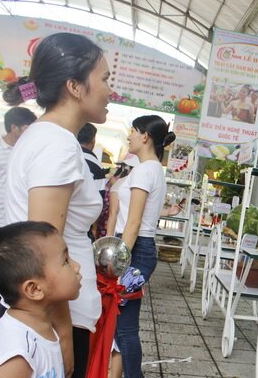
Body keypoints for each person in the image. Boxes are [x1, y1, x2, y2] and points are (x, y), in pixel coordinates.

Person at [2, 32, 112, 378]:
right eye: (105, 79)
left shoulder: (44, 136)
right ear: (75, 87)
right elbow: (44, 252)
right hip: (56, 318)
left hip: (51, 314)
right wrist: (64, 338)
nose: (111, 90)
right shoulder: (57, 144)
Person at [113, 115, 175, 377]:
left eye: (133, 131)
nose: (129, 136)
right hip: (137, 250)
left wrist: (117, 260)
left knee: (124, 327)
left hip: (135, 251)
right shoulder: (151, 169)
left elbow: (133, 223)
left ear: (145, 136)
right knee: (122, 324)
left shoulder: (145, 170)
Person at [0, 221, 81, 378]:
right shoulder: (17, 358)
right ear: (34, 289)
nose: (77, 266)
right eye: (66, 261)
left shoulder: (40, 326)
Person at [0, 107, 35, 327]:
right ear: (15, 127)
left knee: (4, 268)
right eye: (28, 127)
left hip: (12, 221)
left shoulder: (25, 150)